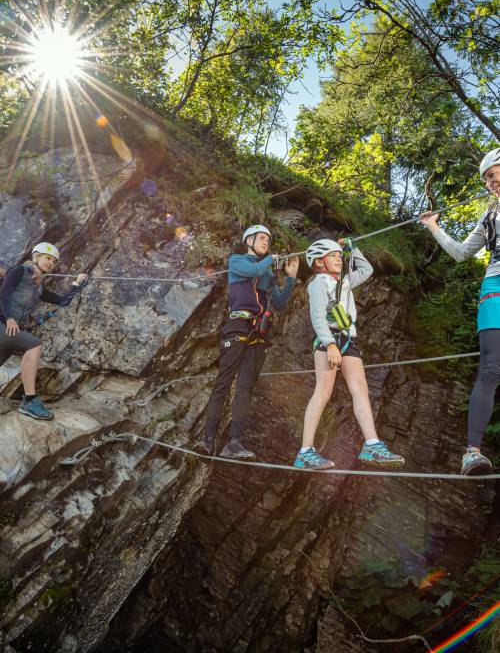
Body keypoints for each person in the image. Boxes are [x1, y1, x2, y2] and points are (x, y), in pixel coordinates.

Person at [420, 148, 500, 475]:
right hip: (495, 290)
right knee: (491, 369)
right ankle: (472, 453)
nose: (491, 183)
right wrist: (433, 227)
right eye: (487, 180)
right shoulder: (489, 216)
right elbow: (461, 253)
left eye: (495, 175)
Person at [293, 238, 405, 470]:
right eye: (333, 255)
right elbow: (317, 316)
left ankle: (372, 444)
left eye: (338, 255)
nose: (338, 258)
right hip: (329, 339)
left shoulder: (344, 281)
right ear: (318, 262)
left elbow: (367, 269)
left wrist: (353, 249)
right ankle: (305, 451)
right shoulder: (317, 284)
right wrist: (329, 344)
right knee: (323, 392)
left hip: (348, 339)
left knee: (360, 388)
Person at [195, 225, 299, 460]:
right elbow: (252, 271)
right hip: (237, 326)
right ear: (249, 240)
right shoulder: (237, 261)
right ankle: (207, 440)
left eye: (268, 240)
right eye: (262, 238)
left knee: (245, 387)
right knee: (223, 383)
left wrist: (290, 278)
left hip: (258, 331)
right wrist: (270, 260)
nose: (266, 242)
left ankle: (234, 442)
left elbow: (279, 302)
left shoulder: (268, 273)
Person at [0, 242, 87, 420]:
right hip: (3, 324)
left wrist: (77, 284)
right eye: (48, 258)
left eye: (54, 261)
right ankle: (29, 401)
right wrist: (9, 318)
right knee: (34, 344)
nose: (50, 263)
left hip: (9, 331)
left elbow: (63, 301)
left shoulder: (38, 287)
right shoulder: (19, 271)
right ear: (36, 256)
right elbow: (4, 293)